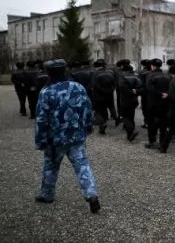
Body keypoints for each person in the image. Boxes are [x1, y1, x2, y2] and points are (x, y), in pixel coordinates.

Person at [34, 59, 100, 214]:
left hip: (55, 139)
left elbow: (41, 119)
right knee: (82, 165)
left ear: (49, 73)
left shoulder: (46, 92)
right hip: (76, 136)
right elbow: (88, 109)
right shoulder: (78, 87)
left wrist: (41, 140)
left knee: (50, 167)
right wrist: (88, 127)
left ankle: (47, 194)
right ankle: (91, 194)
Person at [144, 58, 171, 149]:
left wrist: (160, 94)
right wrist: (166, 94)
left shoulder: (150, 75)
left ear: (152, 66)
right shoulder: (167, 75)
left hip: (153, 103)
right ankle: (162, 142)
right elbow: (171, 86)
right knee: (163, 122)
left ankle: (152, 141)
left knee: (151, 122)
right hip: (165, 102)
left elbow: (150, 88)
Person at [117, 64, 141, 142]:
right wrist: (136, 91)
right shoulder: (135, 76)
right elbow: (141, 86)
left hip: (125, 99)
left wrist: (130, 91)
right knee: (131, 116)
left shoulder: (122, 76)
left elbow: (121, 87)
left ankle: (131, 130)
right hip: (134, 99)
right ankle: (129, 135)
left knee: (124, 116)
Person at [92, 59, 116, 134]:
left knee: (98, 111)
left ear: (97, 66)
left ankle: (102, 124)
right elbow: (114, 83)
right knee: (108, 108)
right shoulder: (109, 73)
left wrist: (101, 90)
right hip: (109, 94)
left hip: (99, 95)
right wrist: (110, 90)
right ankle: (115, 119)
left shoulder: (95, 74)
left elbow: (94, 85)